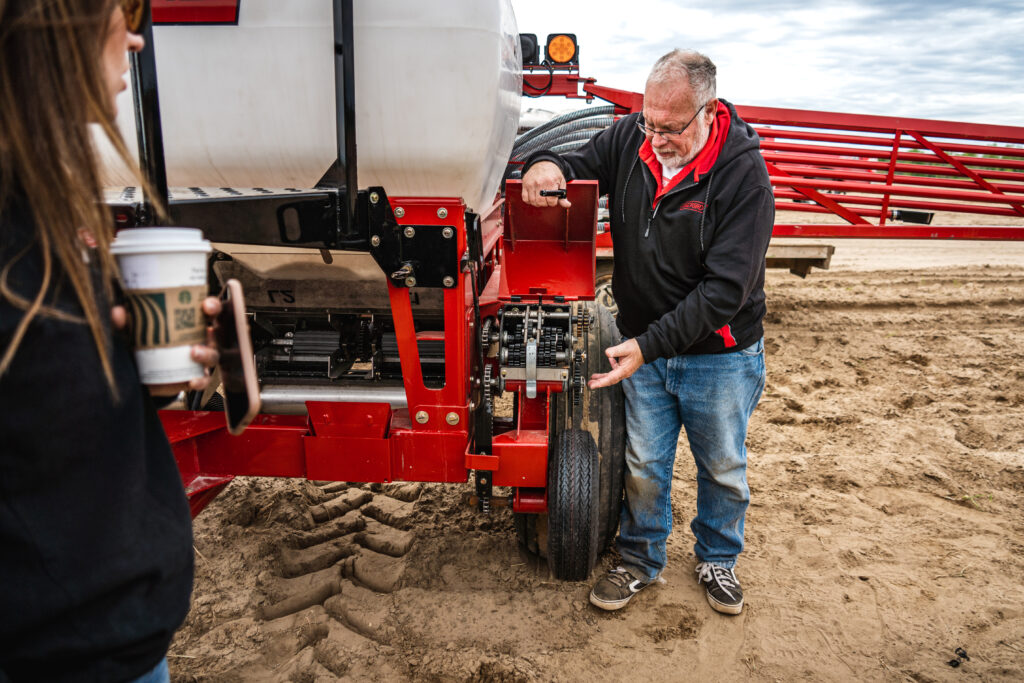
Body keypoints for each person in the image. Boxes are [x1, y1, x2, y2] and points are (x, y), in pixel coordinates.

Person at [0, 1, 220, 680]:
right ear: (49, 26)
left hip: (107, 643)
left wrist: (134, 374)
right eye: (120, 12)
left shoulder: (42, 197)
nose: (133, 38)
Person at [522, 49, 773, 615]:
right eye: (649, 123)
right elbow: (579, 159)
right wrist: (546, 164)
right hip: (646, 350)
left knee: (723, 468)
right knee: (644, 463)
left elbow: (723, 293)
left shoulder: (743, 177)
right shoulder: (631, 139)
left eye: (671, 128)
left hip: (719, 355)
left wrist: (645, 345)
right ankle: (640, 560)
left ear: (706, 111)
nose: (656, 138)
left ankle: (718, 559)